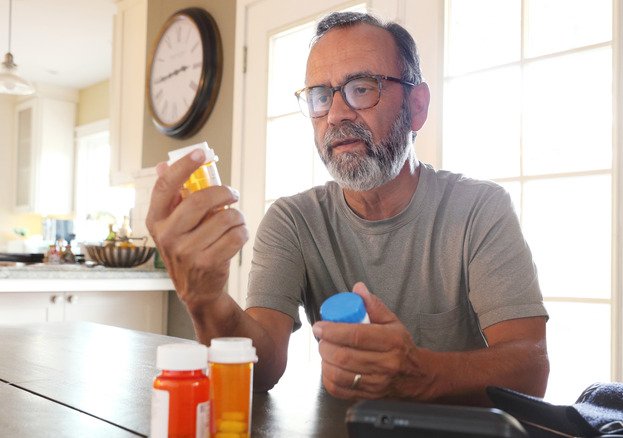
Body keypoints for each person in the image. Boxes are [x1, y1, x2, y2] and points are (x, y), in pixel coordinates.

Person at [146, 11, 549, 406]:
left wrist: (418, 373)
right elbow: (261, 370)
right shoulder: (293, 222)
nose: (336, 114)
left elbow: (530, 369)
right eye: (320, 96)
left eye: (362, 87)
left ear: (418, 106)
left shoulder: (479, 208)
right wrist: (206, 300)